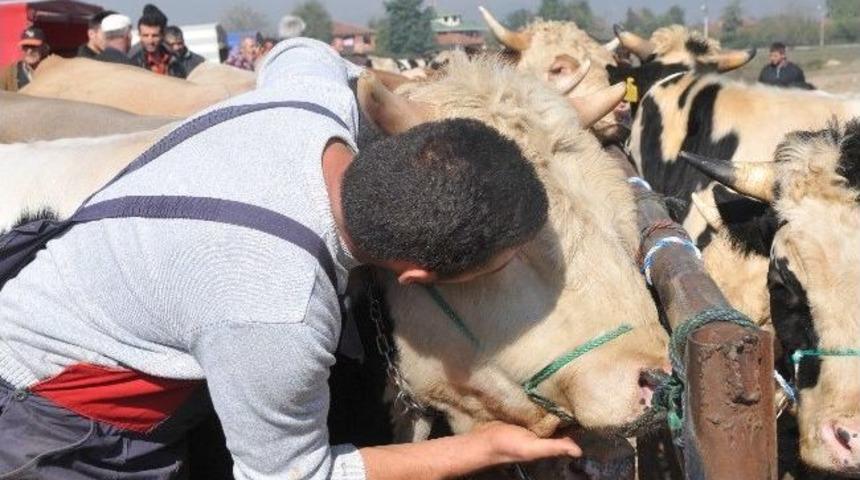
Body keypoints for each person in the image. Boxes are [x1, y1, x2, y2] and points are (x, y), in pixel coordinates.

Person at [0, 38, 579, 479]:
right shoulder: (278, 308)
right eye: (499, 268)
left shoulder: (311, 105)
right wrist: (482, 447)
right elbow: (289, 474)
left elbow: (299, 47)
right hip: (57, 420)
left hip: (102, 293)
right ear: (415, 276)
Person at [129, 3, 187, 78]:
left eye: (155, 36)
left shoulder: (174, 60)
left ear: (162, 35)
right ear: (139, 35)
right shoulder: (133, 64)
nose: (150, 41)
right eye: (145, 35)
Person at [0, 27, 49, 92]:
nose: (29, 51)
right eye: (25, 46)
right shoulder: (8, 73)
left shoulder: (54, 70)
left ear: (44, 48)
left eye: (33, 46)